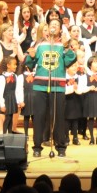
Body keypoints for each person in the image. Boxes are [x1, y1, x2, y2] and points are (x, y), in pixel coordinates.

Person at [24, 19, 77, 158]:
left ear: (60, 29)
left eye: (57, 25)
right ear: (47, 27)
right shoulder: (39, 44)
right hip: (40, 85)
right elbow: (30, 63)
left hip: (57, 86)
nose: (54, 27)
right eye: (51, 25)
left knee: (58, 117)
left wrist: (67, 47)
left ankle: (60, 147)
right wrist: (30, 56)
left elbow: (70, 60)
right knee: (39, 117)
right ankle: (37, 146)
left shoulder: (63, 45)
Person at [0, 55, 24, 134]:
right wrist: (2, 104)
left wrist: (19, 101)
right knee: (7, 118)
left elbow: (17, 90)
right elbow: (0, 93)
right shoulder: (1, 78)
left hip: (12, 99)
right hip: (6, 100)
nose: (16, 66)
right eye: (14, 64)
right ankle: (4, 134)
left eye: (16, 64)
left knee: (10, 118)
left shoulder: (15, 76)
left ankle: (10, 135)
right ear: (8, 65)